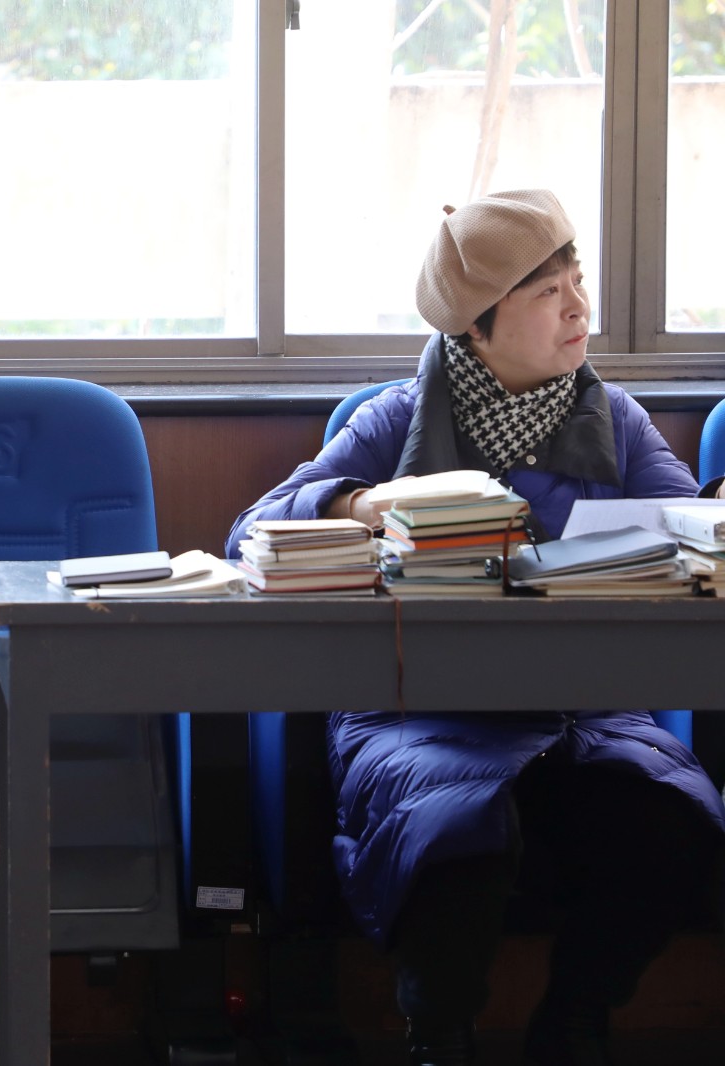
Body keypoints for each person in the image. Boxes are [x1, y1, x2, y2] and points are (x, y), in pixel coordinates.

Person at [227, 189, 725, 1066]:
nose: (580, 308)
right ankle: (438, 1035)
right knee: (454, 829)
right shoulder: (395, 418)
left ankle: (576, 1020)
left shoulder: (614, 418)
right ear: (478, 326)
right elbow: (251, 530)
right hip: (418, 706)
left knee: (671, 819)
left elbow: (689, 533)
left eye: (578, 281)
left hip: (585, 708)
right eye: (549, 293)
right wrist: (361, 502)